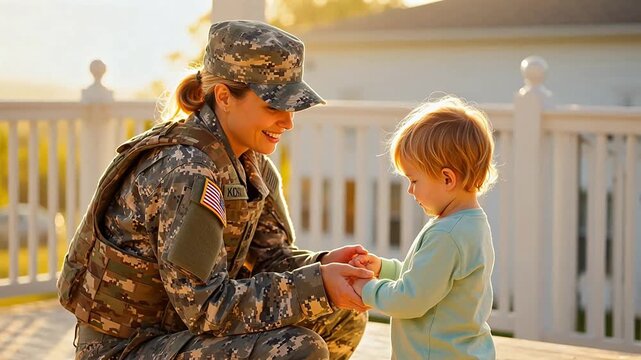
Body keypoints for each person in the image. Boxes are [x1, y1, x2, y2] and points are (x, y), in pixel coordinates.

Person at [57, 20, 374, 360]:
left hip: (180, 335)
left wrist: (323, 267)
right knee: (297, 349)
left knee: (344, 314)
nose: (288, 121)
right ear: (224, 96)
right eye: (273, 106)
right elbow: (208, 308)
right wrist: (317, 285)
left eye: (291, 107)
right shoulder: (186, 170)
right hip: (125, 349)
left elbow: (271, 258)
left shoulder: (251, 163)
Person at [350, 96, 498, 359]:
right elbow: (425, 277)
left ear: (447, 178)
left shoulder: (447, 235)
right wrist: (383, 268)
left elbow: (410, 299)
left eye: (414, 179)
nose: (409, 190)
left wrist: (367, 289)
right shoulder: (470, 224)